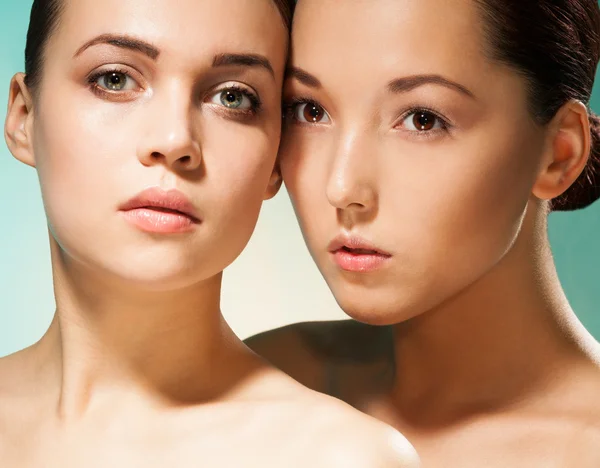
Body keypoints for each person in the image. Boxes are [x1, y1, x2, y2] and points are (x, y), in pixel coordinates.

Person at [0, 0, 420, 466]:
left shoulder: (338, 457)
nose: (176, 140)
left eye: (233, 97)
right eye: (115, 79)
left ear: (275, 162)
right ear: (23, 117)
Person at [247, 0, 600, 465]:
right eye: (310, 111)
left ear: (559, 153)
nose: (343, 187)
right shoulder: (259, 391)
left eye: (422, 119)